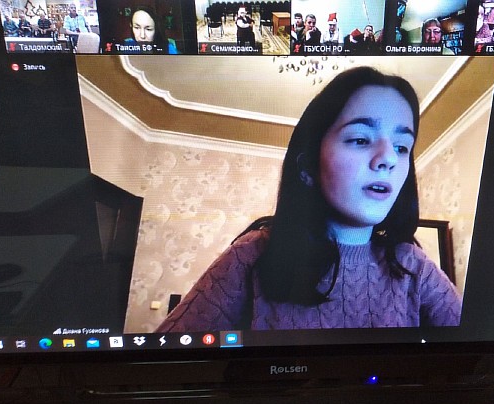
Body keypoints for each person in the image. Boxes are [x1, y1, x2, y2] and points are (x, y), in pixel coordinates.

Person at [156, 67, 463, 332]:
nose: (389, 159)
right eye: (360, 139)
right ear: (307, 168)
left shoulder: (413, 265)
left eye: (401, 147)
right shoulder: (251, 254)